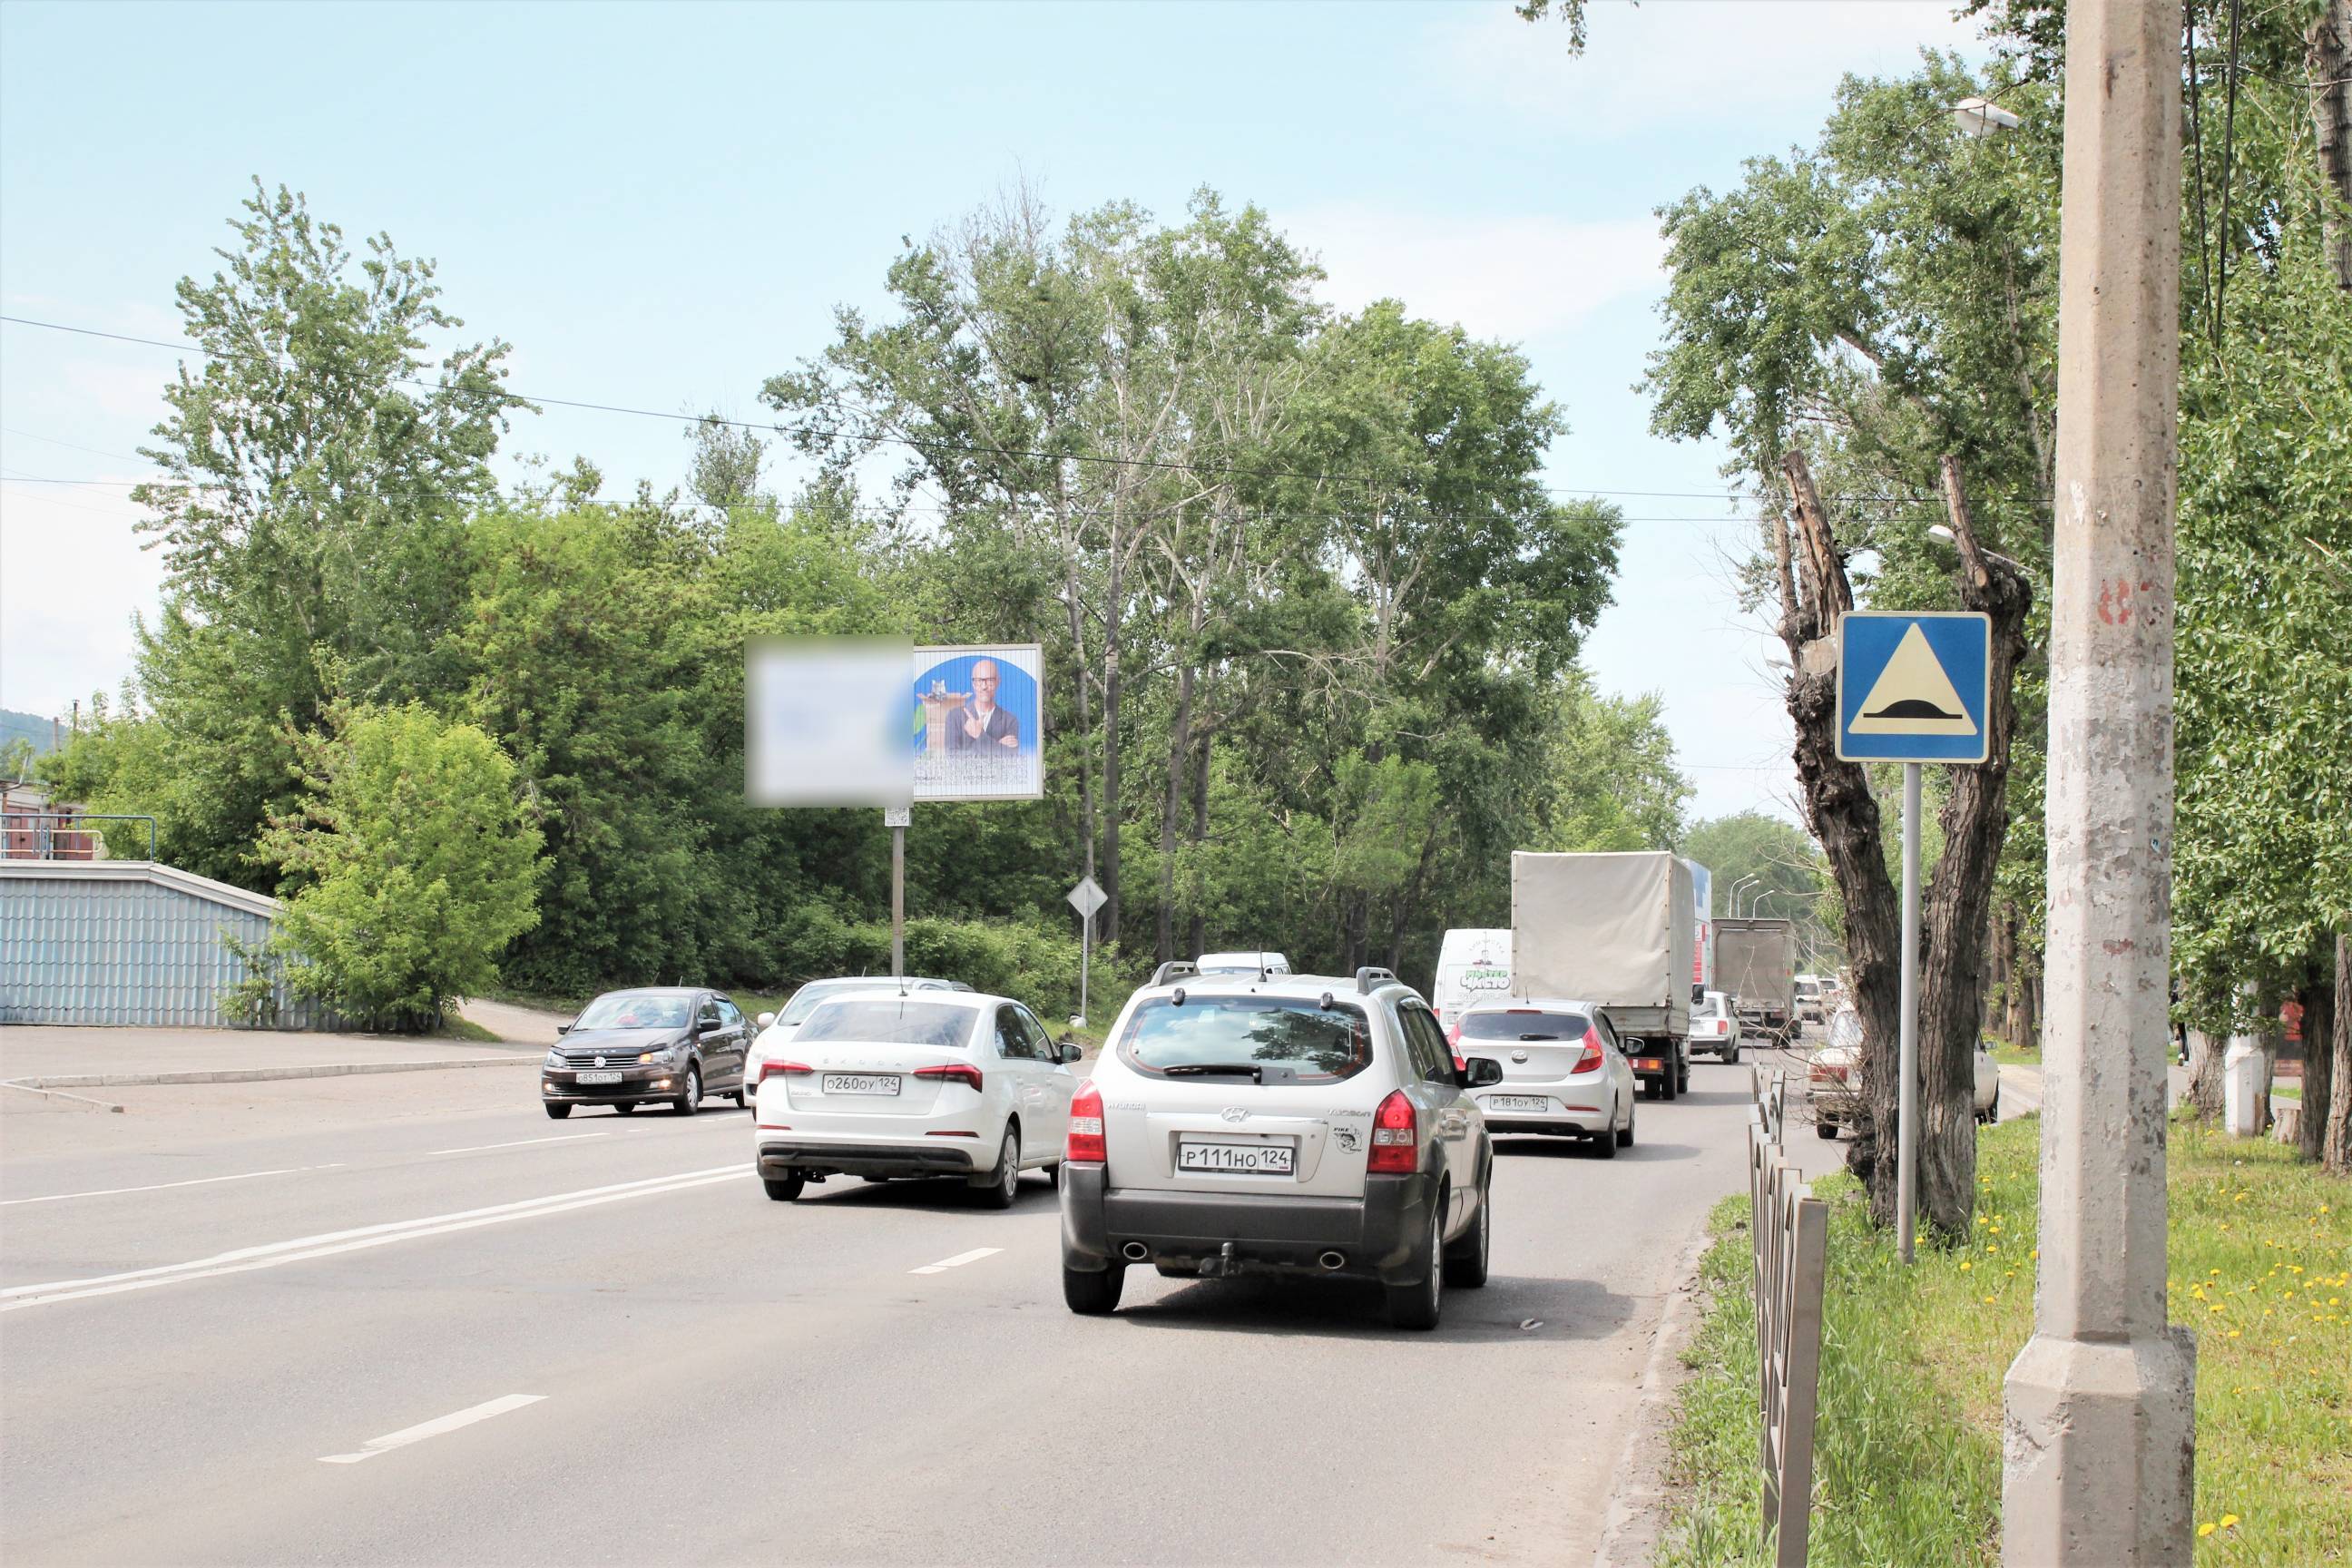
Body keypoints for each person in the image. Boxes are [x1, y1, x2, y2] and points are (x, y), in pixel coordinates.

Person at [948, 659, 1022, 750]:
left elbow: (1010, 759)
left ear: (998, 682)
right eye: (979, 680)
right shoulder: (955, 716)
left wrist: (979, 735)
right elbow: (952, 760)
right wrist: (996, 746)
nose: (984, 686)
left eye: (990, 680)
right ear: (973, 684)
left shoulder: (1010, 721)